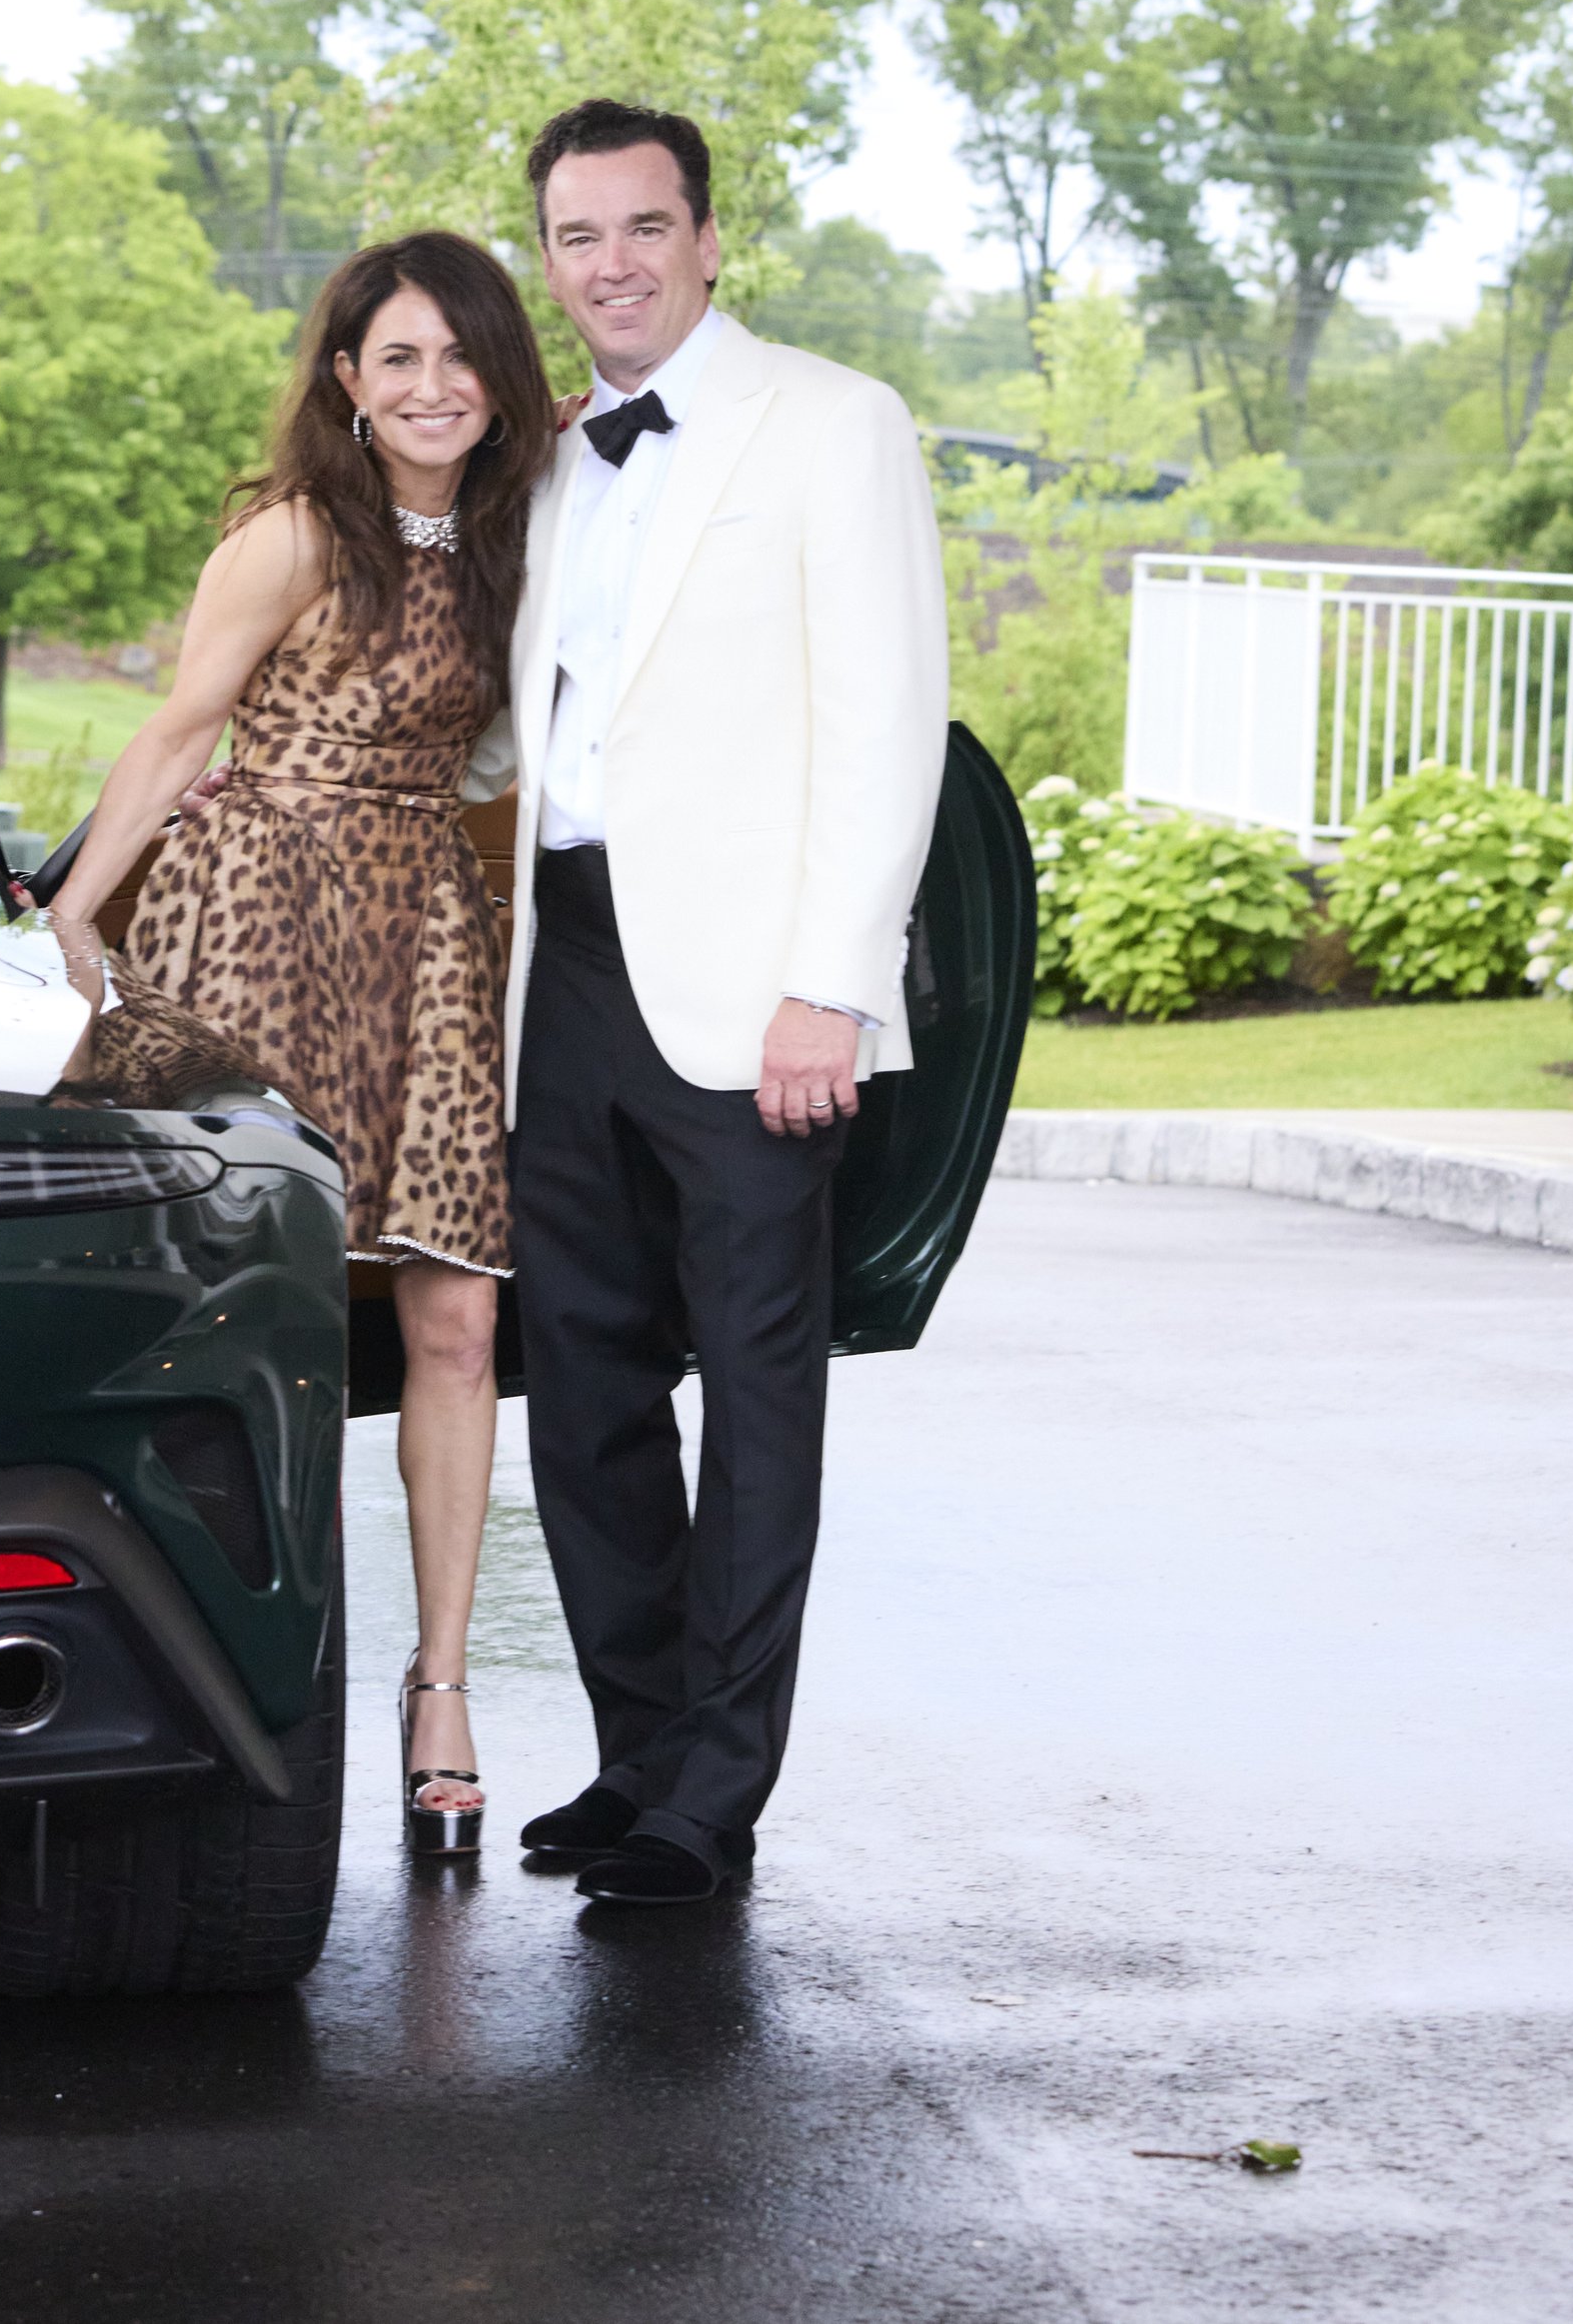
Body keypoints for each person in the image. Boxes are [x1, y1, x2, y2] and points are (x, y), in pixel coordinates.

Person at [40, 230, 557, 1857]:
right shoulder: (289, 533)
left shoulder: (515, 539)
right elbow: (185, 724)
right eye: (395, 358)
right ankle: (222, 1670)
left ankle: (444, 1686)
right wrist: (69, 919)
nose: (430, 385)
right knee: (234, 1313)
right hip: (255, 902)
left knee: (457, 1319)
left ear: (500, 375)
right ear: (345, 378)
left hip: (422, 928)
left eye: (459, 355)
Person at [500, 97, 948, 1908]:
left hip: (757, 997)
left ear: (707, 237)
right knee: (582, 1392)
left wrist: (828, 988)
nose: (610, 265)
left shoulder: (833, 426)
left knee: (758, 1403)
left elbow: (885, 716)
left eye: (642, 228)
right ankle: (637, 1755)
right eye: (577, 238)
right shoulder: (546, 452)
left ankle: (720, 1794)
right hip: (568, 967)